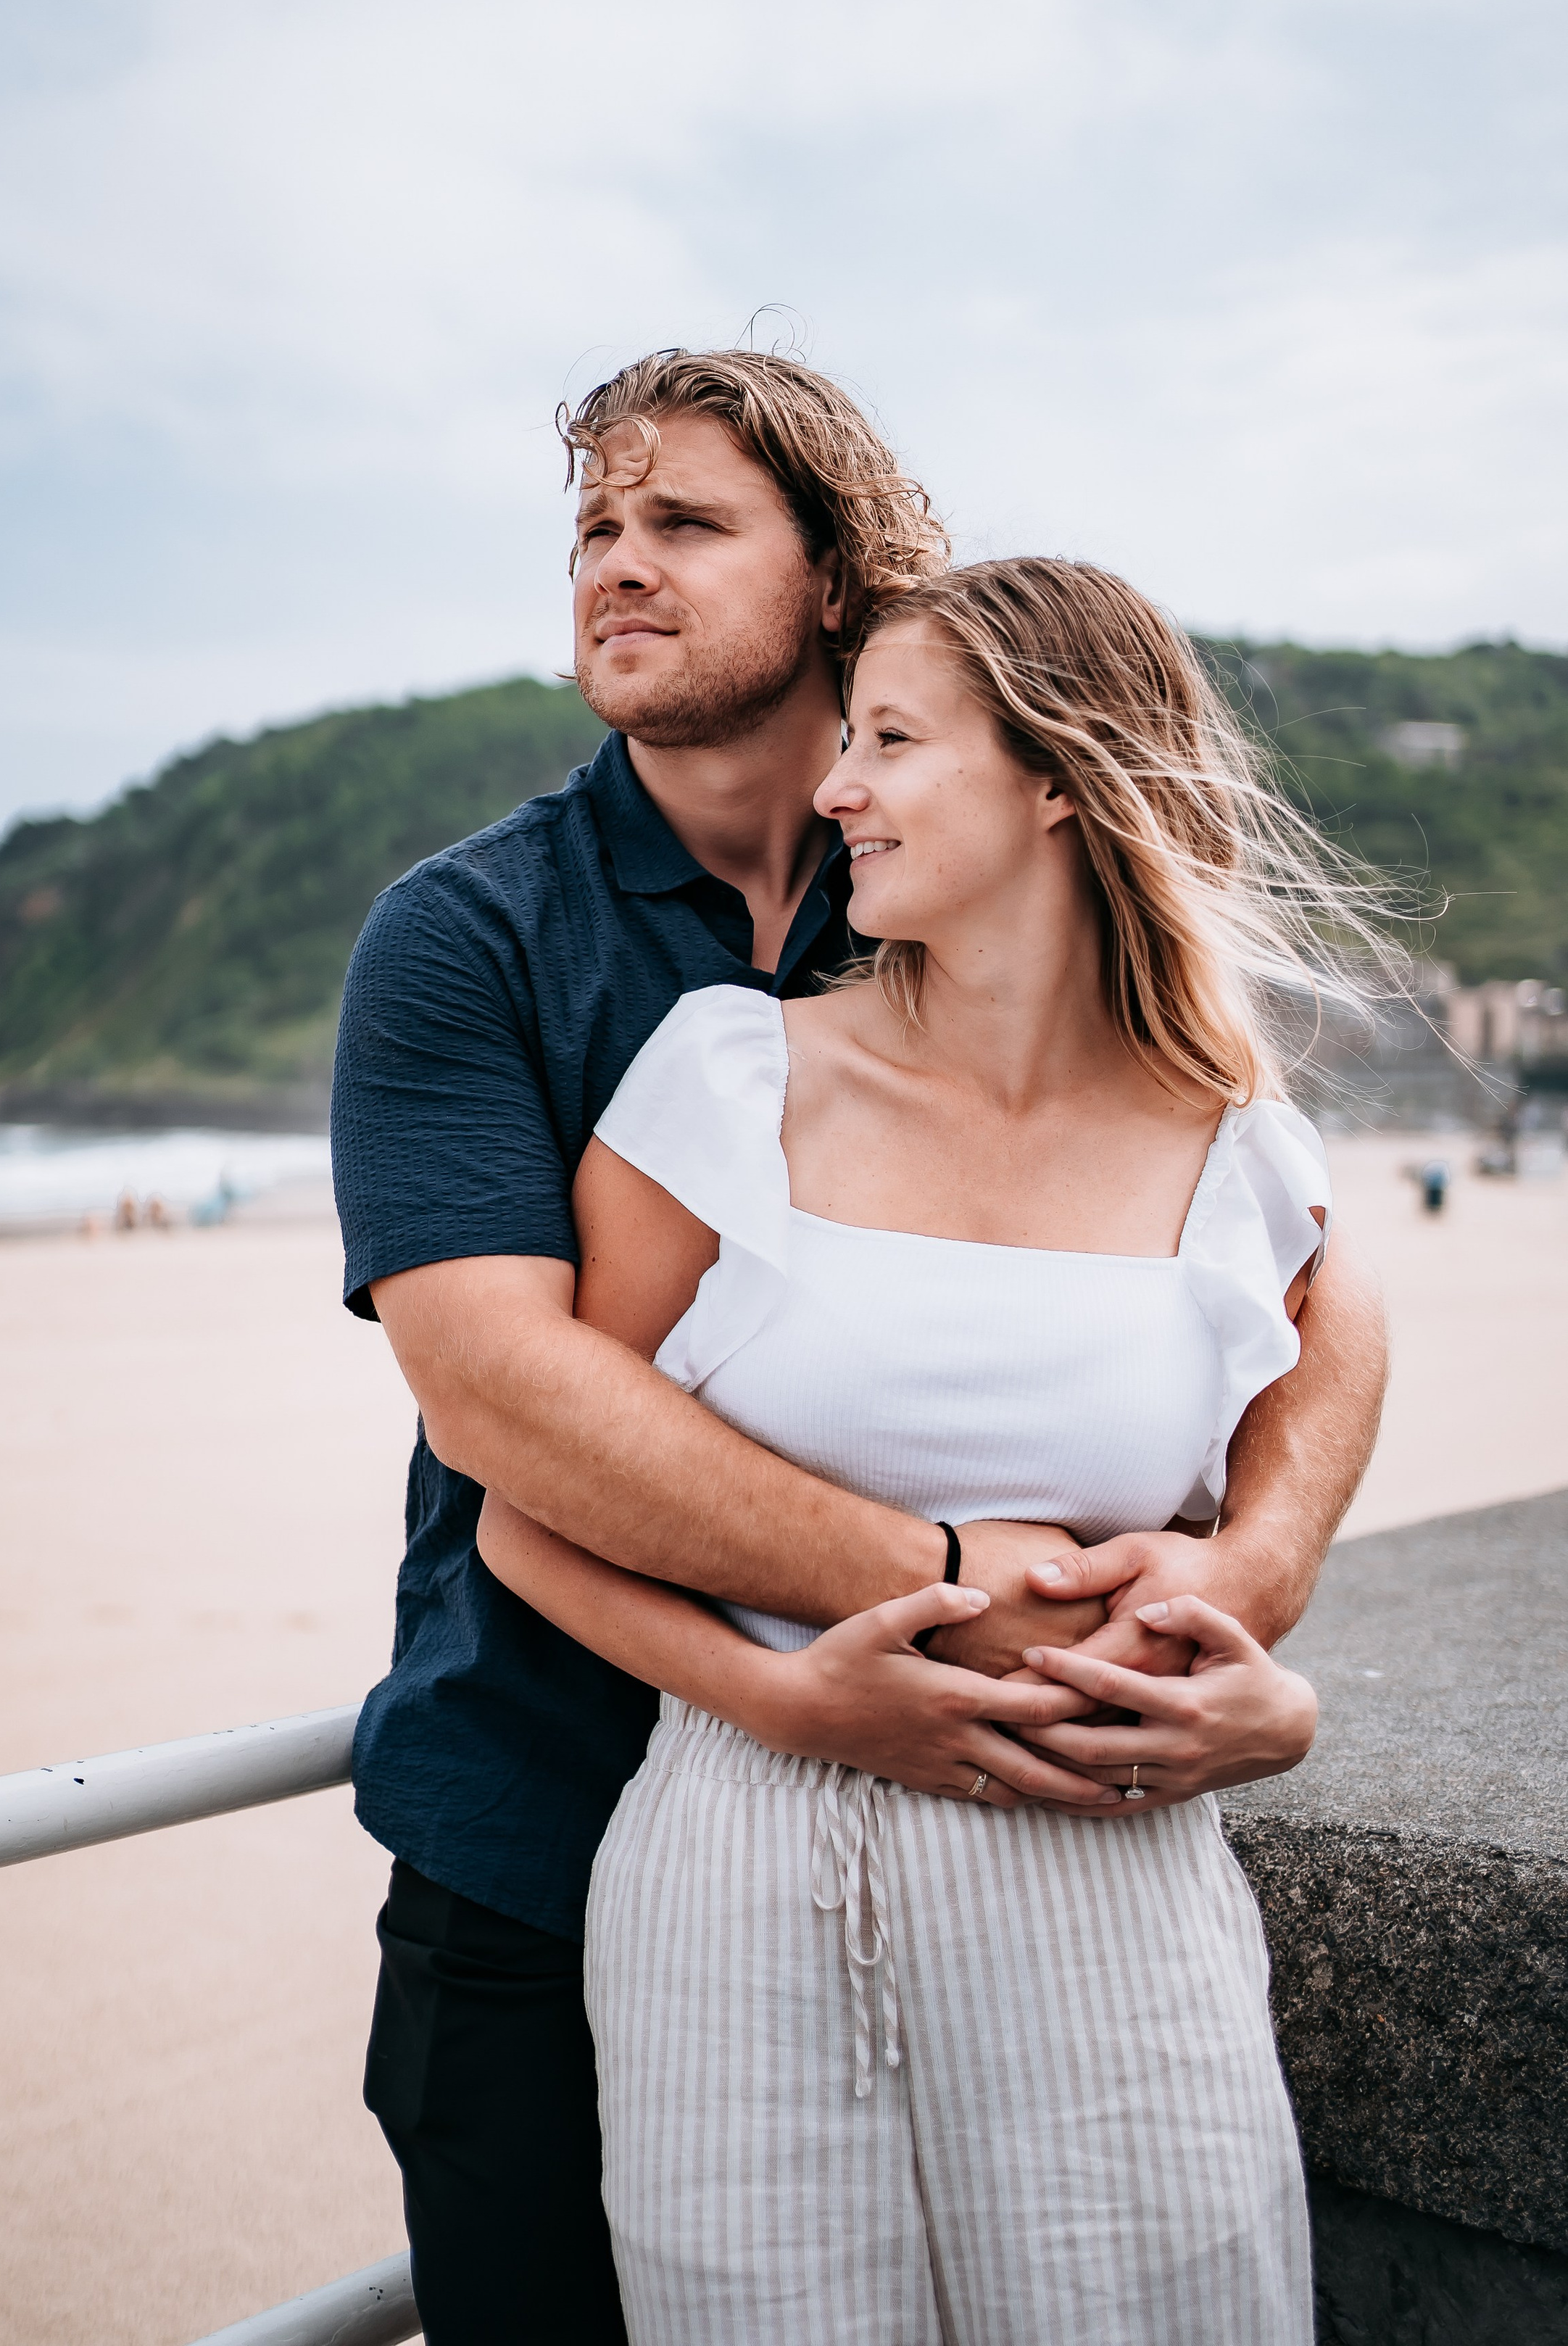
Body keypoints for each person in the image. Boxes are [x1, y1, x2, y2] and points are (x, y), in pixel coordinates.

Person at [330, 351, 1387, 2346]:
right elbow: (500, 1397)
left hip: (1046, 1860)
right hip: (545, 1820)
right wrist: (942, 1605)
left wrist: (1252, 1590)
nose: (614, 569)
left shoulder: (939, 881)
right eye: (592, 531)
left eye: (684, 522)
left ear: (834, 576)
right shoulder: (471, 934)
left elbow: (1308, 1273)